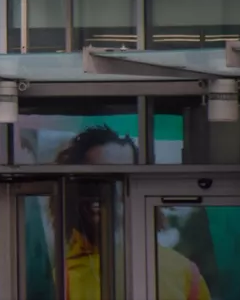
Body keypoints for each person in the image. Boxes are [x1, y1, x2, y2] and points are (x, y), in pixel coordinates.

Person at [53, 125, 210, 300]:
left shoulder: (183, 274)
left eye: (124, 181)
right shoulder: (62, 279)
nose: (112, 193)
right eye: (94, 183)